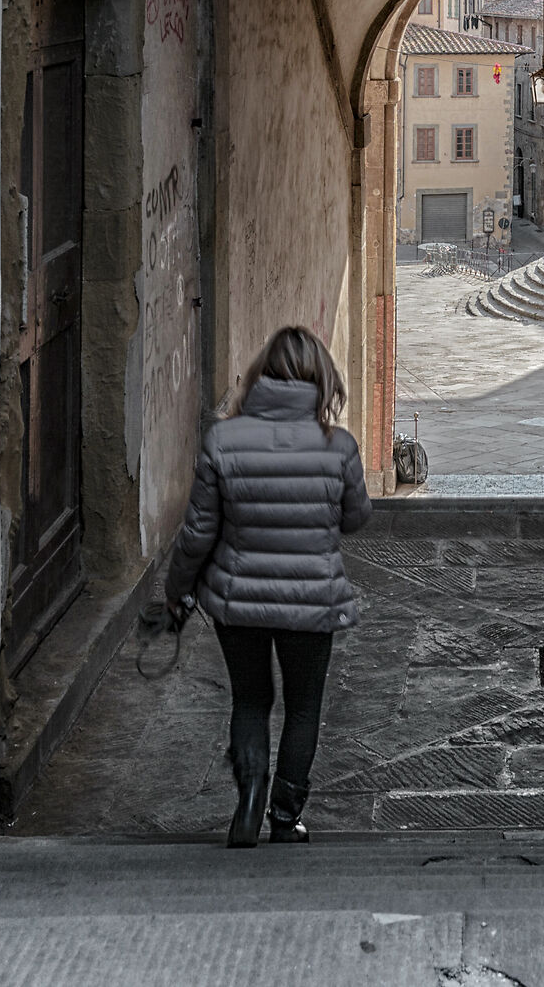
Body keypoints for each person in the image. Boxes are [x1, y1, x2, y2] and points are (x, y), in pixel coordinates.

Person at [161, 326, 370, 847]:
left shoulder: (222, 441)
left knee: (251, 700)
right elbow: (355, 518)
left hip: (238, 600)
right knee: (304, 708)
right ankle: (284, 813)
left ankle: (249, 799)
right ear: (321, 379)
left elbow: (197, 533)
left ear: (260, 376)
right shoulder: (338, 447)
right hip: (310, 601)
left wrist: (176, 590)